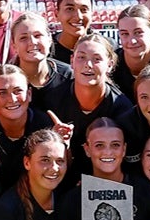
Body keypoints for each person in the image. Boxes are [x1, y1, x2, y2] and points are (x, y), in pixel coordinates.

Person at [48, 33, 135, 189]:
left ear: (110, 64)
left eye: (97, 59)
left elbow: (127, 165)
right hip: (64, 182)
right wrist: (60, 144)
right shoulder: (54, 100)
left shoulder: (122, 108)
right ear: (71, 61)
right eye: (81, 57)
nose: (88, 64)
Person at [0, 64, 52, 188]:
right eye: (2, 93)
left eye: (18, 91)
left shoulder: (44, 125)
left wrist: (63, 145)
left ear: (29, 94)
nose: (12, 99)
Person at [10, 11, 72, 111]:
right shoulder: (4, 79)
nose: (32, 42)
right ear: (14, 45)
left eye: (38, 35)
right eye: (23, 38)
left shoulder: (68, 76)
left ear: (49, 39)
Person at [50, 0, 94, 64]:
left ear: (92, 14)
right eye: (70, 9)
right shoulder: (46, 51)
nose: (78, 16)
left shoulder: (106, 48)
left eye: (84, 10)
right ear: (56, 14)